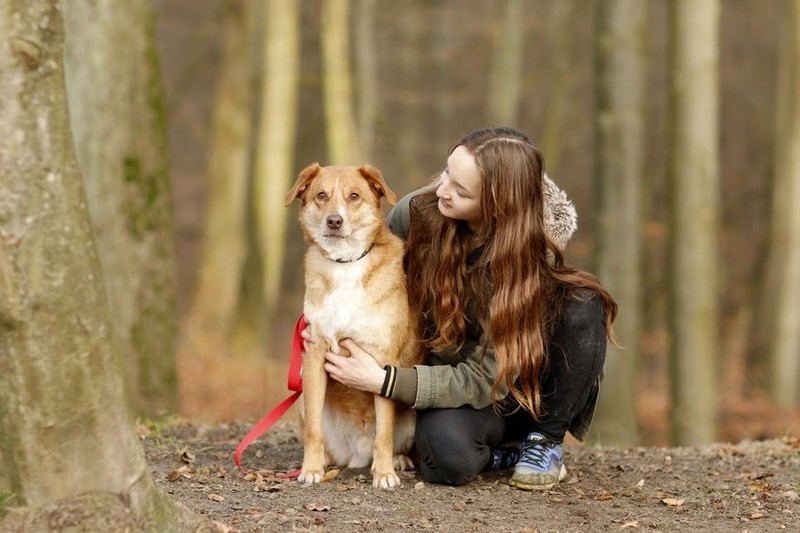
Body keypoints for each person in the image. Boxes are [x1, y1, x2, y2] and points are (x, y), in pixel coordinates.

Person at [320, 126, 617, 490]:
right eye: (447, 173)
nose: (442, 190)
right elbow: (361, 272)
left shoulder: (528, 256)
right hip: (459, 391)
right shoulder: (416, 215)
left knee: (583, 304)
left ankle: (543, 443)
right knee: (447, 460)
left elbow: (486, 376)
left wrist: (386, 380)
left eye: (461, 191)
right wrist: (323, 317)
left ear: (496, 205)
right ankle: (503, 456)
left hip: (523, 389)